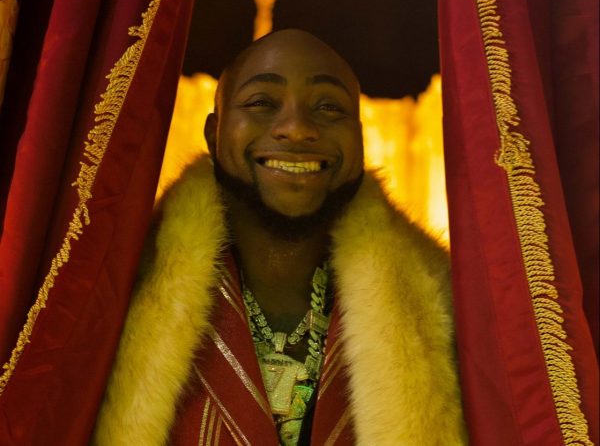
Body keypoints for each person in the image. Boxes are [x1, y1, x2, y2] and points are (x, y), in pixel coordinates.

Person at [93, 29, 466, 445]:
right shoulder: (113, 290)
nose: (296, 128)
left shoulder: (448, 307)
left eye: (329, 107)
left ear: (361, 138)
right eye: (262, 103)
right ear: (214, 132)